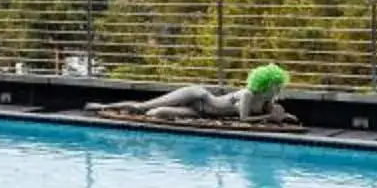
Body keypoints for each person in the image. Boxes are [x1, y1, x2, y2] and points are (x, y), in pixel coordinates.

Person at [104, 63, 295, 125]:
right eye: (275, 85)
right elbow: (244, 119)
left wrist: (284, 115)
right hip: (199, 97)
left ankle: (146, 113)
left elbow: (273, 114)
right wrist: (270, 117)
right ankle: (101, 106)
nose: (278, 89)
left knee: (157, 114)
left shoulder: (267, 99)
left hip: (203, 113)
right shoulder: (247, 94)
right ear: (265, 83)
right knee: (142, 107)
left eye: (279, 85)